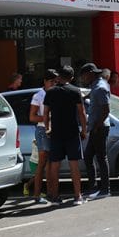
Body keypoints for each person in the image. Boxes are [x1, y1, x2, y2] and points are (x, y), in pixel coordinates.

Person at [43, 65, 87, 206]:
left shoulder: (50, 92)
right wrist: (84, 130)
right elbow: (81, 112)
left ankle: (55, 196)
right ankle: (78, 196)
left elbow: (45, 113)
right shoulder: (75, 91)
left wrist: (47, 128)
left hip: (56, 133)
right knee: (74, 164)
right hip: (72, 132)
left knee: (55, 165)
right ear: (72, 78)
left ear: (59, 76)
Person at [26, 68, 58, 203]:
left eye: (56, 82)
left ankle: (51, 193)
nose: (54, 84)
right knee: (42, 163)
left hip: (54, 130)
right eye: (51, 81)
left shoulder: (56, 93)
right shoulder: (38, 96)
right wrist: (48, 118)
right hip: (42, 130)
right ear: (45, 81)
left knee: (52, 163)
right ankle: (37, 195)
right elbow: (32, 117)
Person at [81, 62, 111, 200]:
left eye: (84, 76)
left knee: (101, 158)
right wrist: (84, 97)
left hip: (100, 127)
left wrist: (97, 126)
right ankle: (93, 187)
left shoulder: (100, 87)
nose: (83, 78)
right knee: (88, 156)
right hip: (96, 127)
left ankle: (105, 189)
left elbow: (106, 109)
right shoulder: (96, 85)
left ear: (91, 74)